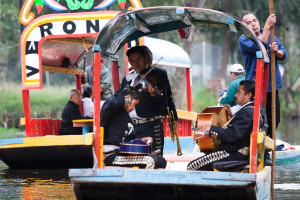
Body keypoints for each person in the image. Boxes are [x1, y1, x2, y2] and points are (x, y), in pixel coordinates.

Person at [239, 11, 287, 165]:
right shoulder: (244, 39)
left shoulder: (271, 35)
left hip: (272, 86)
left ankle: (267, 150)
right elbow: (261, 45)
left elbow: (283, 54)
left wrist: (276, 51)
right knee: (259, 121)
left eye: (255, 21)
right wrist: (267, 27)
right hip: (256, 86)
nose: (253, 24)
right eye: (248, 23)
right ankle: (258, 153)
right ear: (244, 27)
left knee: (275, 119)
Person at [113, 45, 178, 155]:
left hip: (151, 126)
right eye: (132, 61)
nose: (135, 63)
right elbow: (117, 98)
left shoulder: (158, 74)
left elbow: (166, 101)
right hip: (132, 128)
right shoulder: (127, 79)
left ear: (146, 58)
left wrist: (154, 95)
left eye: (139, 59)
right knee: (134, 161)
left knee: (153, 161)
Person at [187, 80, 264, 171]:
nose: (235, 95)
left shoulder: (248, 113)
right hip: (234, 151)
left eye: (239, 92)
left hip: (234, 154)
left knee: (192, 166)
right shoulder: (251, 110)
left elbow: (232, 135)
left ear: (248, 95)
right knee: (206, 157)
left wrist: (211, 128)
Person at [101, 88, 167, 169]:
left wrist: (142, 141)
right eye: (134, 104)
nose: (133, 109)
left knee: (161, 161)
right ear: (128, 99)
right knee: (151, 161)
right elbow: (110, 104)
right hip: (110, 156)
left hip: (121, 155)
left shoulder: (125, 117)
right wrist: (125, 98)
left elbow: (129, 141)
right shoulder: (113, 110)